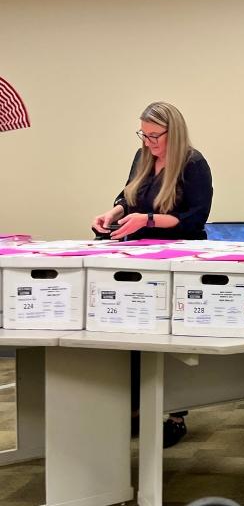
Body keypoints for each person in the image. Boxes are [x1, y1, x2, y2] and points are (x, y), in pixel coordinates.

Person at [91, 101, 213, 448]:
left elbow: (194, 218)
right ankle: (134, 410)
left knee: (170, 336)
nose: (148, 142)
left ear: (173, 132)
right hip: (141, 252)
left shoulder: (193, 164)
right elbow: (129, 195)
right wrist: (112, 212)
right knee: (133, 328)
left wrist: (147, 220)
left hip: (178, 254)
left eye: (154, 136)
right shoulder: (143, 156)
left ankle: (176, 416)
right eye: (143, 135)